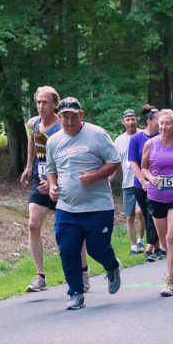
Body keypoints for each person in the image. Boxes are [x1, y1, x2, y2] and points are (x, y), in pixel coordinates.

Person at [45, 97, 124, 310]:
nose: (69, 121)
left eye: (73, 116)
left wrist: (94, 176)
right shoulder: (53, 141)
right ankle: (76, 293)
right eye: (64, 117)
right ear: (58, 116)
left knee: (97, 249)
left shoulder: (97, 134)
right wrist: (52, 186)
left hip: (98, 206)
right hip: (67, 207)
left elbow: (114, 161)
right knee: (68, 249)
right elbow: (51, 168)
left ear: (81, 115)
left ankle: (112, 266)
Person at [140, 109, 173, 296]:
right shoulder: (150, 144)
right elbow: (144, 168)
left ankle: (168, 282)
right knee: (164, 242)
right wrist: (150, 178)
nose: (163, 127)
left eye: (167, 123)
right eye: (161, 123)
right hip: (156, 196)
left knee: (170, 237)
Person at [20, 86, 62, 293]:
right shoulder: (35, 123)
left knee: (69, 230)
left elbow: (70, 156)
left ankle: (82, 270)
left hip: (63, 182)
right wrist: (29, 166)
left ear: (55, 104)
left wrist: (56, 181)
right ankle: (40, 276)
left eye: (45, 102)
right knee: (33, 224)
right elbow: (32, 140)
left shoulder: (63, 126)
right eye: (38, 102)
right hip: (40, 180)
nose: (40, 106)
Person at [128, 107, 164, 261]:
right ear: (149, 121)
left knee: (153, 213)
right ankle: (157, 246)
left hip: (159, 183)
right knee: (146, 213)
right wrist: (143, 180)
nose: (162, 123)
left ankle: (151, 247)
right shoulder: (136, 139)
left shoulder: (163, 137)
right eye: (158, 119)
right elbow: (133, 162)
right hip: (140, 184)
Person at [113, 109, 146, 254]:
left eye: (133, 119)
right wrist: (110, 177)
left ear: (137, 120)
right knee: (129, 215)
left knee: (140, 212)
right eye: (128, 119)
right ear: (123, 122)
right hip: (127, 183)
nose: (130, 122)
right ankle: (133, 247)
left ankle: (140, 240)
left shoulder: (143, 135)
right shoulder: (119, 140)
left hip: (141, 181)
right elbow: (115, 162)